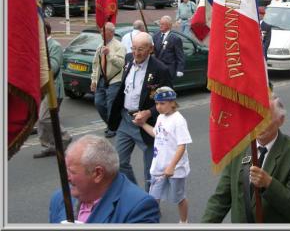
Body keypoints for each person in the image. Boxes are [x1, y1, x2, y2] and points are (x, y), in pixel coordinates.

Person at [201, 95, 290, 223]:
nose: (259, 124)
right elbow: (221, 199)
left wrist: (269, 184)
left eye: (266, 118)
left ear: (281, 120)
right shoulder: (238, 147)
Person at [108, 32, 172, 192]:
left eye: (141, 49)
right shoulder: (128, 59)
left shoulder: (160, 69)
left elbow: (169, 101)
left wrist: (148, 113)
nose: (136, 53)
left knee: (150, 170)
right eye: (134, 48)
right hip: (126, 119)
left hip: (147, 124)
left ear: (151, 49)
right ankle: (136, 195)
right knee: (119, 162)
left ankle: (150, 203)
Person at [49, 134, 160, 223]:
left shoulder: (138, 207)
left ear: (98, 174)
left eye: (72, 172)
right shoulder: (60, 199)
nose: (66, 177)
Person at [134, 86, 192, 223]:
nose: (158, 107)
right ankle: (151, 222)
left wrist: (171, 166)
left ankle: (184, 222)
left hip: (176, 169)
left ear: (172, 102)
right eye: (156, 104)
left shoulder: (178, 120)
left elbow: (182, 145)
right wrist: (142, 124)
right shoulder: (160, 117)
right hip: (158, 167)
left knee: (179, 197)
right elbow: (156, 133)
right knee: (153, 198)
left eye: (162, 103)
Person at [33, 21, 72, 158]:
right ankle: (51, 146)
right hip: (41, 88)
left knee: (45, 118)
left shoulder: (54, 46)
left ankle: (65, 138)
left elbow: (54, 68)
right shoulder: (40, 46)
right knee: (41, 119)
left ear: (45, 31)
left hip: (53, 88)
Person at [91, 22, 126, 138]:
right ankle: (112, 124)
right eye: (101, 31)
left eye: (104, 31)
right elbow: (96, 65)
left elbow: (121, 64)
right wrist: (94, 80)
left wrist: (109, 54)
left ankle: (112, 127)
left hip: (114, 79)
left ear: (111, 32)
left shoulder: (119, 46)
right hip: (102, 80)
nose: (101, 33)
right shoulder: (100, 46)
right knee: (99, 103)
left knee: (112, 104)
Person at [153, 15, 185, 81]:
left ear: (169, 25)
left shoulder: (175, 39)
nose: (160, 26)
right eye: (160, 24)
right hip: (157, 68)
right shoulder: (156, 36)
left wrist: (180, 69)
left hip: (169, 69)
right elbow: (153, 51)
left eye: (163, 24)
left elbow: (180, 56)